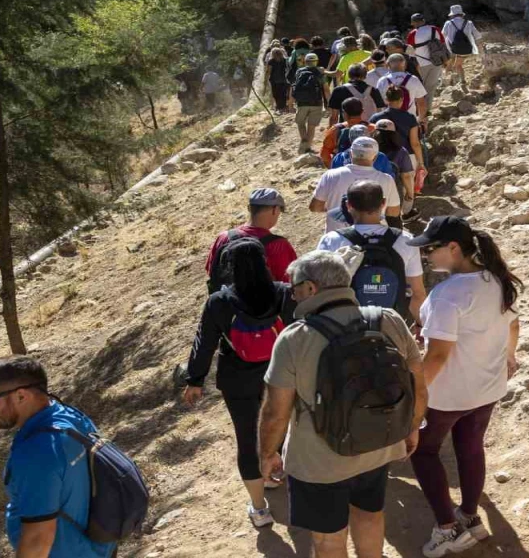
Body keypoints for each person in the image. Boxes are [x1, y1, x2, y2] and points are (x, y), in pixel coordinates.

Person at [257, 251, 428, 558]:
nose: (293, 296)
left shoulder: (294, 339)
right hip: (378, 444)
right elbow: (417, 382)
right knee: (370, 516)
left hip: (319, 462)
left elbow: (274, 412)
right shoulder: (386, 318)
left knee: (329, 540)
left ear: (310, 289)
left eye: (294, 288)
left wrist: (268, 454)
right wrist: (411, 426)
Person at [407, 217, 522, 557]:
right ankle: (470, 517)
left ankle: (447, 528)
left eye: (430, 249)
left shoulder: (448, 294)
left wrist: (415, 399)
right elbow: (513, 322)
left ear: (453, 248)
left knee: (423, 452)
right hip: (487, 387)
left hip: (448, 394)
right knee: (471, 448)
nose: (426, 256)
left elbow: (439, 355)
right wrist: (510, 357)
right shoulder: (496, 280)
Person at [183, 240, 297, 527]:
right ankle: (276, 470)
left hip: (238, 379)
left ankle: (259, 509)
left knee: (247, 440)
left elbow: (204, 341)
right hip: (281, 374)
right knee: (280, 423)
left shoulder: (219, 302)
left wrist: (195, 380)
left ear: (229, 268)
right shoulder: (285, 294)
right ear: (264, 262)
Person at [0, 356, 116, 558]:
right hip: (101, 548)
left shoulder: (38, 452)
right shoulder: (67, 415)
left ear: (21, 396)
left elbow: (38, 538)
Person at [316, 181, 426, 321]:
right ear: (383, 203)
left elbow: (320, 290)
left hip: (346, 326)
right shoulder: (405, 240)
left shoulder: (332, 240)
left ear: (348, 205)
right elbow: (418, 293)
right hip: (391, 323)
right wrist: (420, 325)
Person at [205, 188, 297, 286]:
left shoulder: (223, 237)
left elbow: (211, 271)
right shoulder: (278, 245)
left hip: (229, 300)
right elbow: (291, 282)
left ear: (249, 208)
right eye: (280, 210)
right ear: (275, 210)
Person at [310, 136, 402, 233]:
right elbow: (393, 212)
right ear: (375, 157)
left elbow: (315, 207)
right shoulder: (387, 179)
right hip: (373, 238)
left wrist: (334, 208)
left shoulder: (331, 175)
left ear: (351, 153)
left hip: (338, 238)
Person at [368, 86, 424, 172]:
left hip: (381, 156)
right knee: (408, 183)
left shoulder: (376, 117)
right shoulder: (410, 117)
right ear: (402, 99)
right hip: (407, 156)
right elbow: (415, 143)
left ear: (386, 99)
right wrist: (421, 163)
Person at [374, 119, 416, 215]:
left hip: (371, 189)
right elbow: (406, 176)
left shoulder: (371, 149)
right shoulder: (400, 151)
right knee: (392, 220)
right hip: (394, 191)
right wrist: (410, 193)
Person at [375, 53, 428, 127]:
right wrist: (419, 119)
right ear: (405, 65)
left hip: (388, 121)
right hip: (409, 120)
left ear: (388, 65)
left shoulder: (382, 81)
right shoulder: (413, 79)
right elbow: (421, 103)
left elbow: (378, 104)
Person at [320, 97, 373, 168]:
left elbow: (324, 156)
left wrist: (334, 169)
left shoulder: (335, 130)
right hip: (368, 171)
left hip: (343, 170)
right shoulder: (372, 129)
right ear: (362, 111)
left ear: (344, 113)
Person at [292, 52, 330, 153]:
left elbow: (296, 85)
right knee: (311, 126)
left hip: (302, 102)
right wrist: (329, 103)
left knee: (300, 123)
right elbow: (326, 89)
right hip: (316, 102)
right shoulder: (320, 73)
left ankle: (304, 140)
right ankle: (308, 147)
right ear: (316, 61)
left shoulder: (299, 71)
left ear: (306, 62)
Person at [406, 13, 445, 101]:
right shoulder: (435, 29)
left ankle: (419, 109)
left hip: (421, 64)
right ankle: (428, 110)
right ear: (423, 20)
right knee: (431, 87)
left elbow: (410, 52)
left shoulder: (412, 34)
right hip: (437, 61)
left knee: (420, 86)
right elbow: (442, 43)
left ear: (413, 23)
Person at [442, 6, 483, 88]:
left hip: (452, 49)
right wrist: (479, 46)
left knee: (448, 65)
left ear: (452, 14)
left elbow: (443, 34)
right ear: (461, 14)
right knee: (458, 65)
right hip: (465, 49)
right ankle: (462, 80)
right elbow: (478, 35)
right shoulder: (469, 23)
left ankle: (444, 82)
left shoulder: (448, 23)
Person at [264, 43, 291, 112]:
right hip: (284, 79)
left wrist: (265, 79)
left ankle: (279, 107)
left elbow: (268, 71)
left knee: (276, 93)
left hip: (274, 80)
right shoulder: (285, 60)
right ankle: (283, 107)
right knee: (283, 93)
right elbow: (288, 69)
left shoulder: (271, 61)